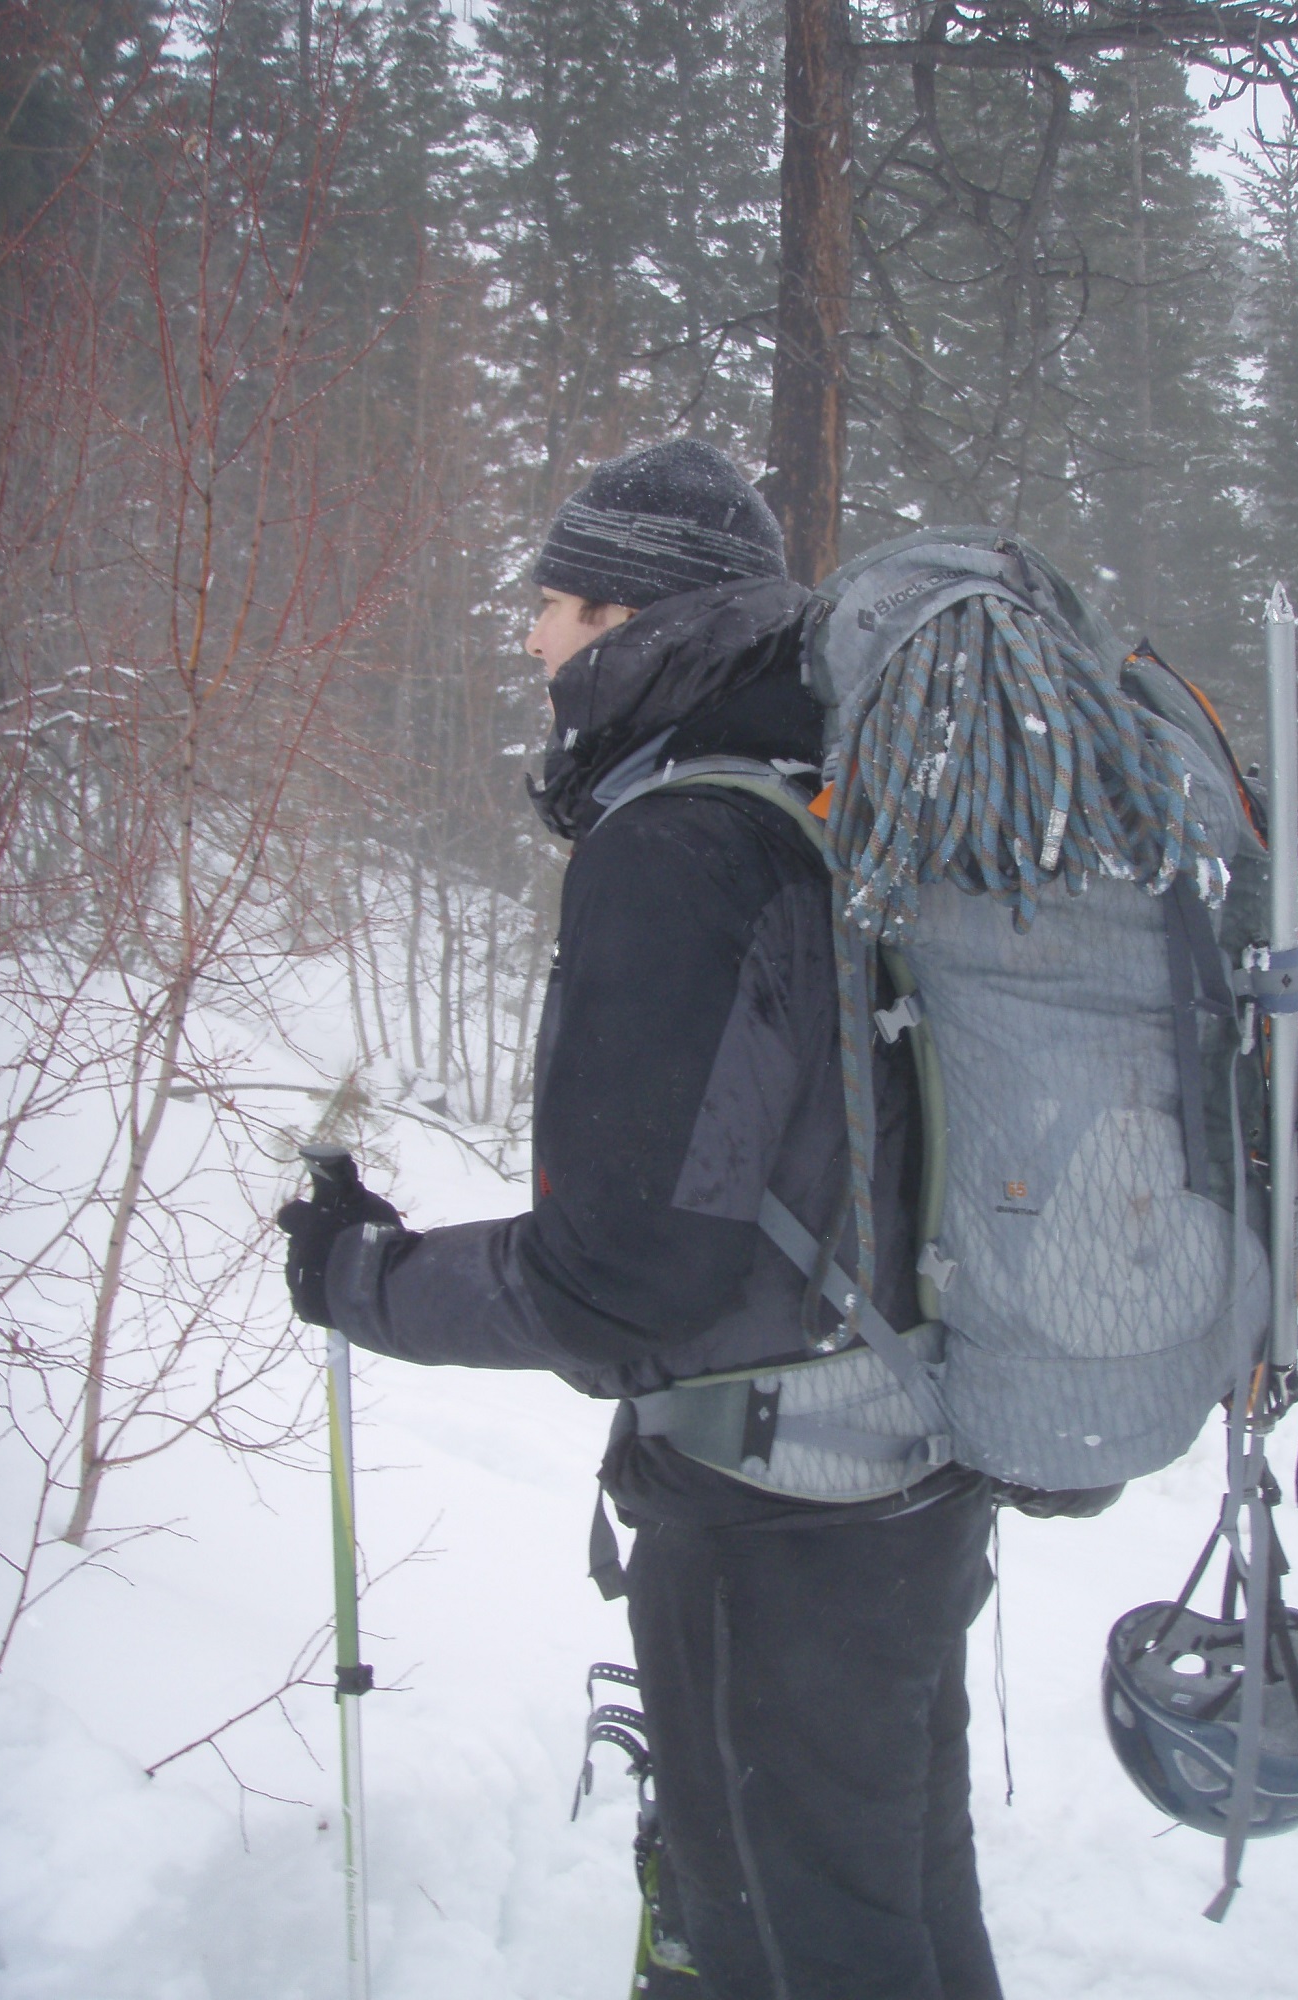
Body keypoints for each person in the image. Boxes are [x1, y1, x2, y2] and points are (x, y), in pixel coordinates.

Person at [278, 439, 1004, 2000]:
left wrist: (364, 1280)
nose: (533, 638)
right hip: (918, 1476)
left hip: (775, 1522)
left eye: (549, 604)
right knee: (900, 1923)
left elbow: (622, 1282)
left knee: (781, 1953)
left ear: (623, 618)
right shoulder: (833, 798)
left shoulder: (683, 843)